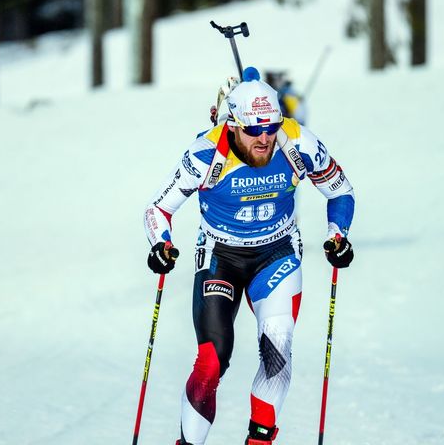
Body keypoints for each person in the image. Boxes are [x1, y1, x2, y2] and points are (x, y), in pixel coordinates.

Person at [143, 66, 355, 445]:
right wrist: (161, 244)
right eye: (254, 129)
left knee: (277, 350)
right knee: (211, 363)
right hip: (220, 255)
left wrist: (337, 234)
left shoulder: (297, 143)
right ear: (233, 124)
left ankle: (260, 439)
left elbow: (340, 191)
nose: (265, 138)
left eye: (271, 126)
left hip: (276, 253)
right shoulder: (206, 153)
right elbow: (159, 210)